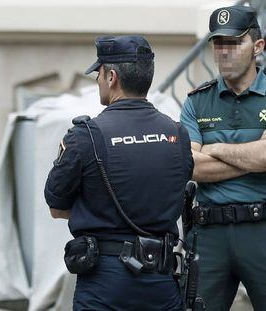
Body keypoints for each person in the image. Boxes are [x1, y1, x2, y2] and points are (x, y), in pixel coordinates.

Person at [45, 35, 193, 310]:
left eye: (98, 74)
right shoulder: (178, 134)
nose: (98, 81)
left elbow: (56, 207)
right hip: (162, 281)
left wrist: (94, 207)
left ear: (111, 76)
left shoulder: (84, 137)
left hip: (105, 283)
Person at [180, 5, 266, 310]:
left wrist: (212, 149)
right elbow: (190, 165)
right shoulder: (197, 101)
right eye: (218, 43)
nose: (224, 52)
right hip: (209, 233)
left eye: (233, 43)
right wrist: (250, 155)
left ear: (258, 46)